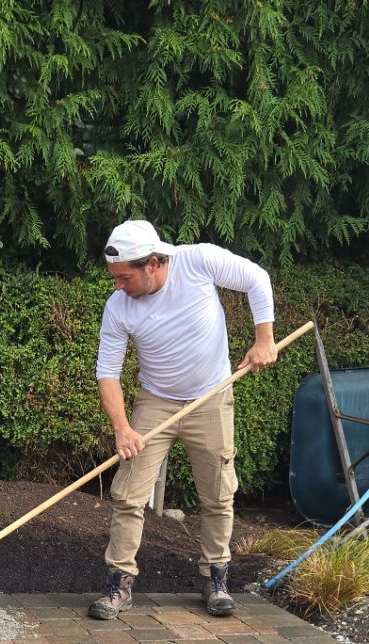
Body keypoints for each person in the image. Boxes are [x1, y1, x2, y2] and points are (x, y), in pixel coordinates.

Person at [88, 219, 277, 620]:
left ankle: (215, 578)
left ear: (153, 264)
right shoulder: (118, 306)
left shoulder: (198, 261)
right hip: (156, 401)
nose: (117, 286)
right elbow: (107, 371)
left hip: (211, 397)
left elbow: (257, 279)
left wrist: (264, 339)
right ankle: (119, 583)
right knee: (127, 495)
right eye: (114, 277)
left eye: (124, 277)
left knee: (218, 494)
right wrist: (122, 428)